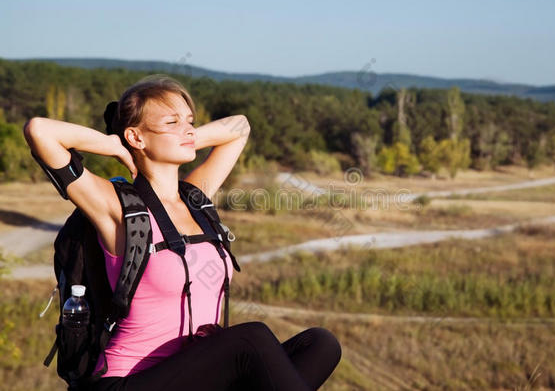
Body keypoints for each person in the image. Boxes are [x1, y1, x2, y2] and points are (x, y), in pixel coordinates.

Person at [23, 75, 342, 390]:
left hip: (195, 374)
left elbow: (239, 126)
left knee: (321, 343)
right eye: (172, 122)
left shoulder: (195, 199)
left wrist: (179, 136)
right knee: (251, 338)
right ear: (136, 137)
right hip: (131, 380)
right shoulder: (116, 208)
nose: (188, 129)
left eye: (190, 121)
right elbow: (40, 131)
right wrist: (113, 144)